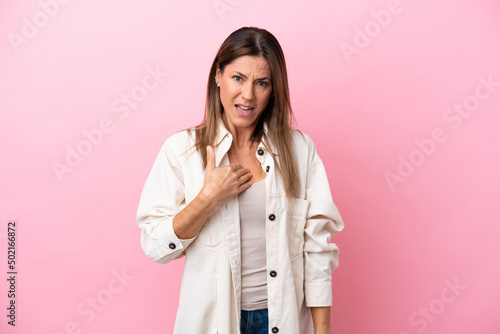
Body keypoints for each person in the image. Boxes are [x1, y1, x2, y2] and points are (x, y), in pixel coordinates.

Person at [136, 26, 344, 334]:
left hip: (281, 320)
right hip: (214, 323)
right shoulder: (181, 151)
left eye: (262, 83)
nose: (248, 95)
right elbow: (156, 247)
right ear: (218, 76)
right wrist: (207, 197)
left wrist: (323, 331)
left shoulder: (299, 151)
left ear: (274, 90)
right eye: (238, 78)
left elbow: (317, 250)